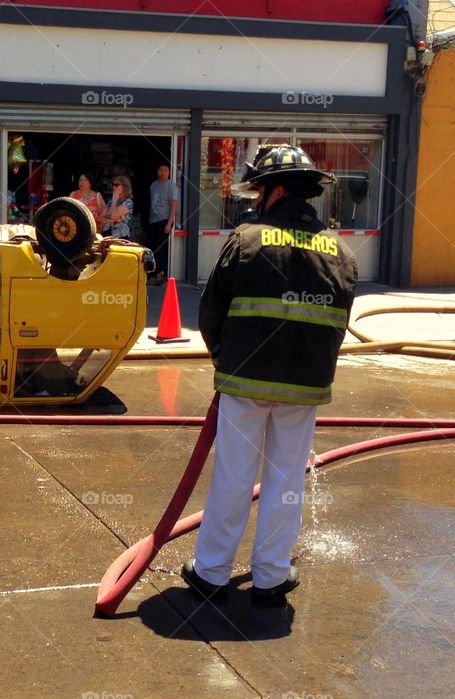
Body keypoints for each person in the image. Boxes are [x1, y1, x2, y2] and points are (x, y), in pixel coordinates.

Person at [181, 145, 358, 605]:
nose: (255, 199)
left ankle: (213, 572)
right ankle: (272, 577)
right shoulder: (340, 250)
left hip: (246, 380)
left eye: (259, 190)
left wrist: (225, 360)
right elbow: (340, 321)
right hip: (305, 387)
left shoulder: (248, 239)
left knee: (234, 476)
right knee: (285, 482)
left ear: (276, 191)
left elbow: (210, 312)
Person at [145, 163, 178, 284]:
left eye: (165, 170)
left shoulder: (171, 186)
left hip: (164, 220)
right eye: (161, 170)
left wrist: (169, 224)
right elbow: (151, 204)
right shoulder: (153, 185)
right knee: (151, 247)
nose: (163, 172)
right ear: (157, 171)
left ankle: (161, 274)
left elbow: (173, 206)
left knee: (161, 249)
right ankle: (152, 274)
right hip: (153, 220)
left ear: (169, 172)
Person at [101, 175, 133, 240]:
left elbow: (113, 215)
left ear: (124, 186)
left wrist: (115, 199)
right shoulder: (110, 202)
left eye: (116, 185)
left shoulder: (128, 202)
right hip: (107, 235)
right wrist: (112, 220)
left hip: (121, 237)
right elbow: (100, 219)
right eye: (113, 184)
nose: (113, 187)